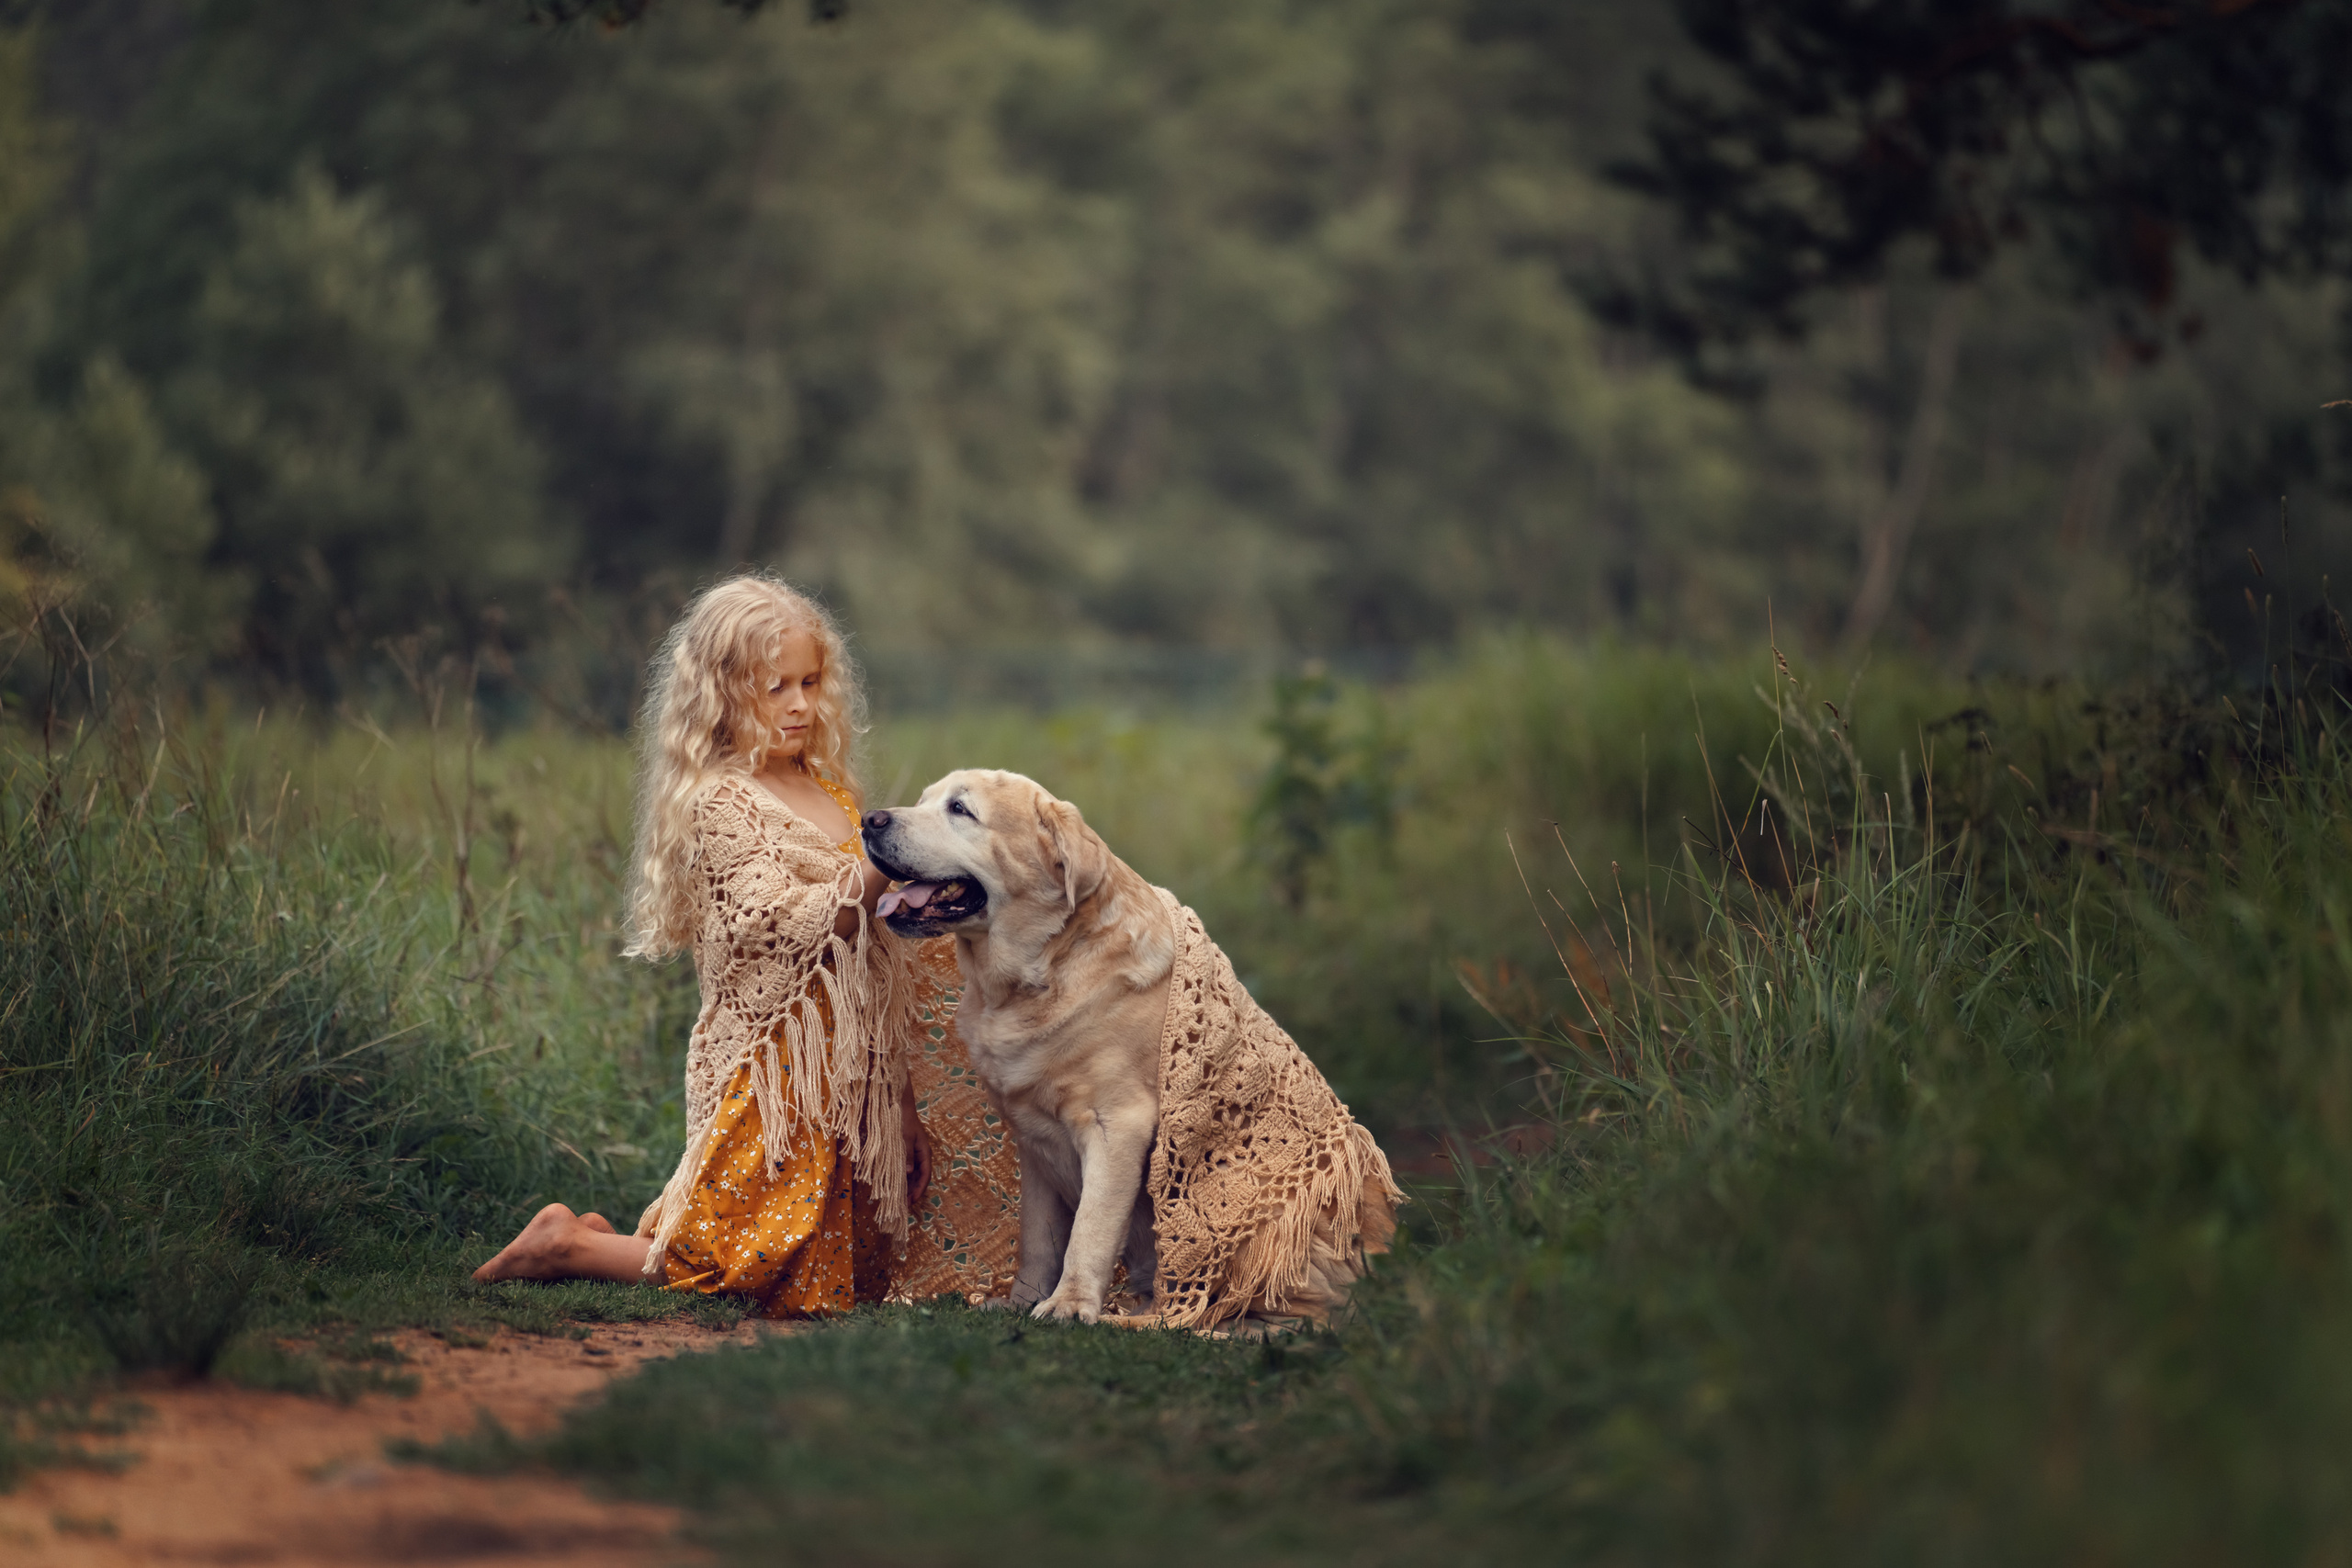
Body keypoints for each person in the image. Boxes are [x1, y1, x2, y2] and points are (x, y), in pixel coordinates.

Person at [473, 574, 1013, 1314]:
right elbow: (779, 923)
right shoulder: (722, 804)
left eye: (812, 682)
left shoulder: (834, 793)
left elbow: (882, 966)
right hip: (771, 1072)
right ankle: (568, 1247)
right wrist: (878, 866)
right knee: (754, 1264)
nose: (800, 704)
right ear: (724, 694)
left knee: (832, 1274)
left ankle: (613, 1238)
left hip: (848, 1081)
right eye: (776, 687)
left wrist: (903, 1106)